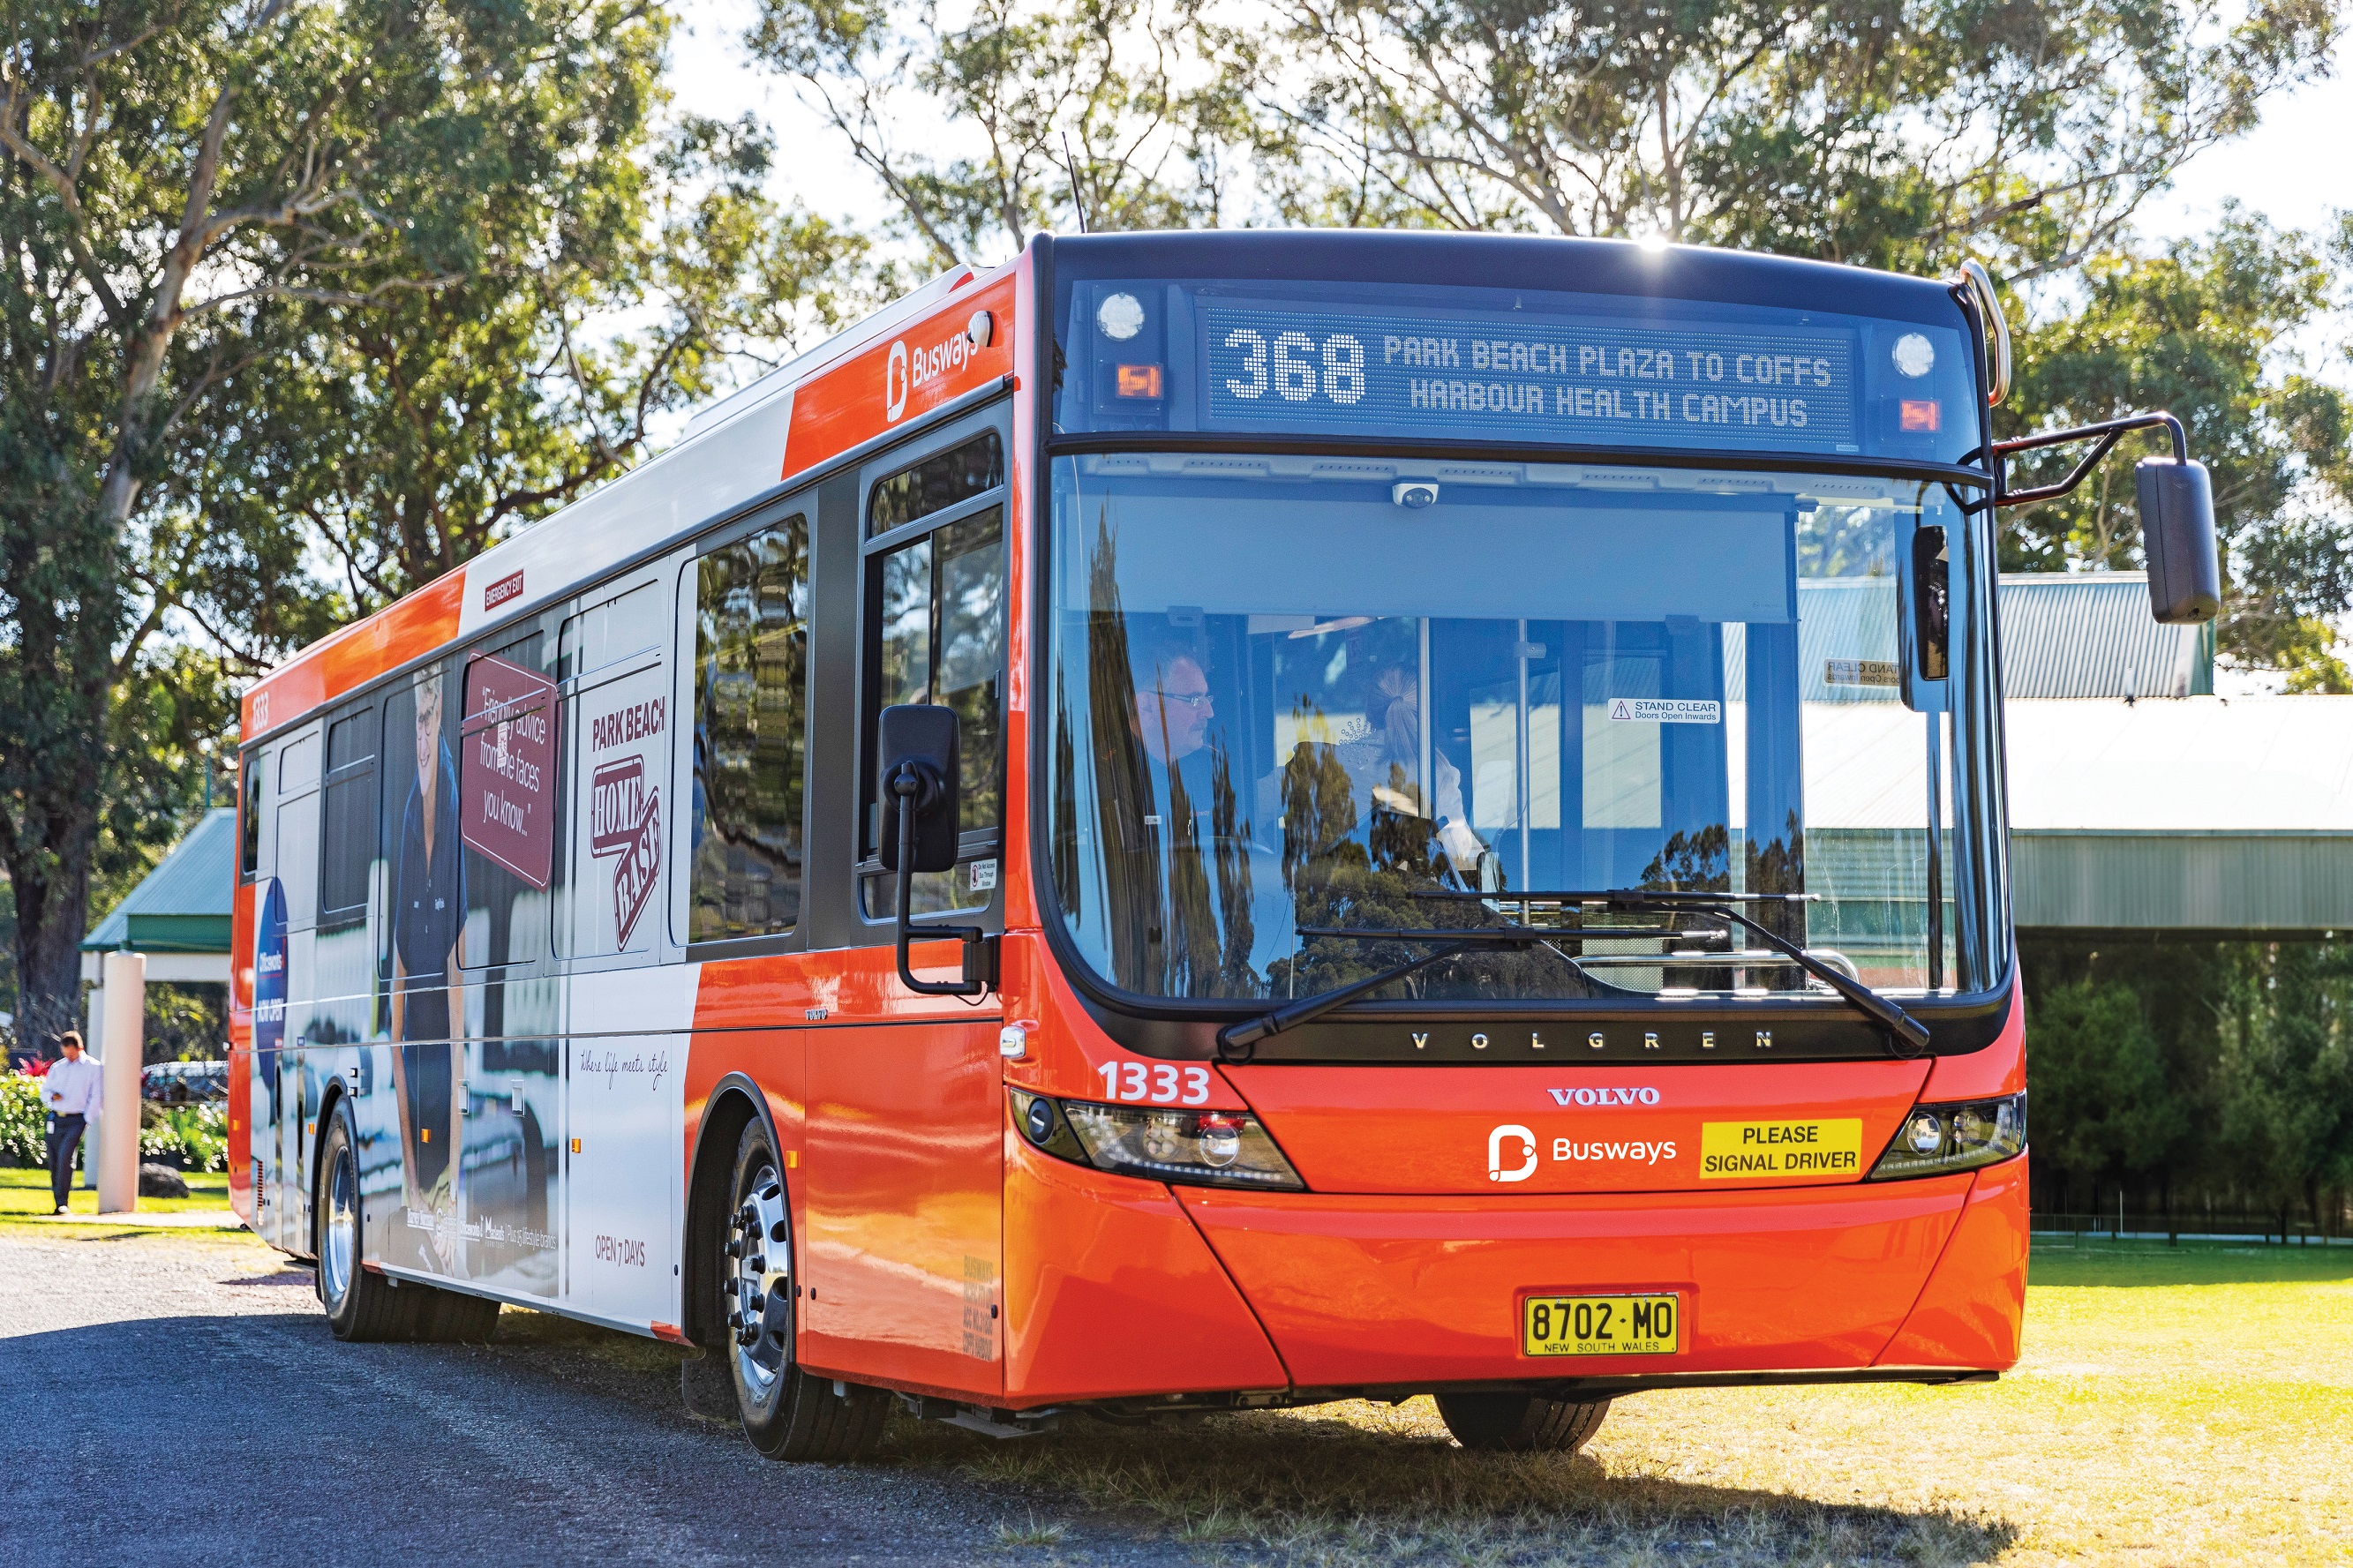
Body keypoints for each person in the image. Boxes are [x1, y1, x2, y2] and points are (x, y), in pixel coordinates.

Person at [41, 1031, 101, 1215]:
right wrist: (52, 1096)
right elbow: (45, 1091)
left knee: (65, 1157)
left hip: (77, 1119)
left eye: (72, 1053)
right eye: (65, 1052)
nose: (69, 1057)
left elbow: (97, 1095)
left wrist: (87, 1119)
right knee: (54, 1159)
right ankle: (58, 1201)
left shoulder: (93, 1067)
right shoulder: (58, 1067)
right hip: (56, 1118)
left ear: (79, 1048)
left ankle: (63, 1202)